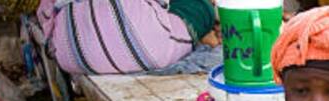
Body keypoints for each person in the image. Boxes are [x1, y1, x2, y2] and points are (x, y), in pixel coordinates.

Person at [37, 0, 219, 75]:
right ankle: (202, 34)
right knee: (201, 7)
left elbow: (45, 13)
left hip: (70, 53)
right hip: (142, 45)